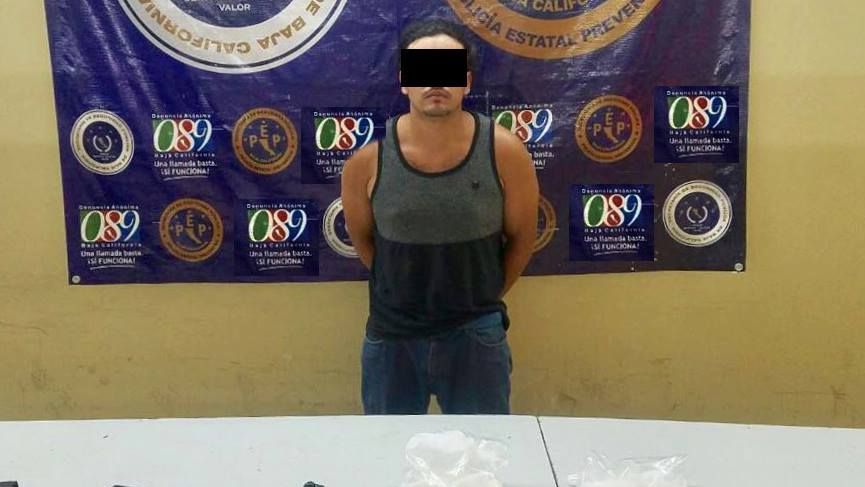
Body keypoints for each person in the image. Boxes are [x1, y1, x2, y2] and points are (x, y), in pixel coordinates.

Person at [340, 19, 539, 415]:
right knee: (387, 451)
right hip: (392, 339)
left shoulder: (505, 153)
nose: (435, 82)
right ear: (404, 82)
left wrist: (478, 299)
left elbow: (522, 240)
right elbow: (364, 243)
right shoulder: (366, 162)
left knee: (483, 452)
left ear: (467, 82)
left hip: (475, 336)